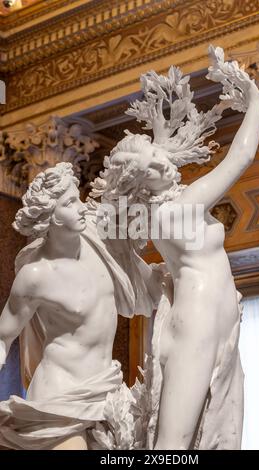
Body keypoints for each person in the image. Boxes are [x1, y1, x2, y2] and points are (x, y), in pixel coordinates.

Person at [92, 47, 259, 449]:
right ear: (140, 182)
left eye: (158, 154)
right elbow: (241, 157)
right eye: (151, 165)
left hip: (215, 316)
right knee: (175, 442)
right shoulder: (178, 210)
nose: (163, 164)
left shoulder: (165, 212)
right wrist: (255, 99)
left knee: (213, 430)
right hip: (198, 321)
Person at [0, 162, 158, 450]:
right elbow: (3, 336)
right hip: (60, 397)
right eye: (70, 203)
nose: (82, 207)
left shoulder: (100, 240)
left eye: (79, 198)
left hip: (107, 391)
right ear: (51, 216)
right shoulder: (36, 276)